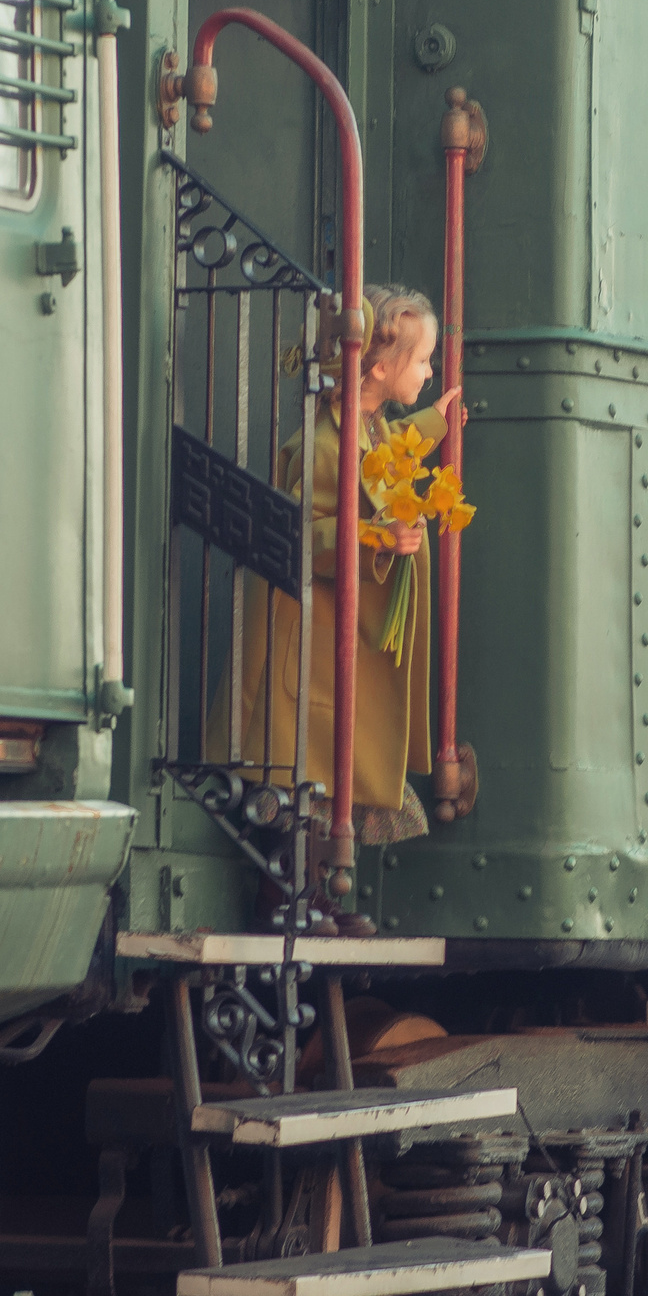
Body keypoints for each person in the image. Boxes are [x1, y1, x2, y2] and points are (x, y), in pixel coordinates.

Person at [228, 284, 461, 929]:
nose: (430, 369)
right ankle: (289, 904)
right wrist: (380, 536)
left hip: (341, 639)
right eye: (423, 361)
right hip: (311, 642)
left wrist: (437, 420)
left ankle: (323, 901)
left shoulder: (367, 426)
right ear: (380, 368)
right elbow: (306, 530)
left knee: (337, 779)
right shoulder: (324, 443)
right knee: (311, 778)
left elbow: (384, 460)